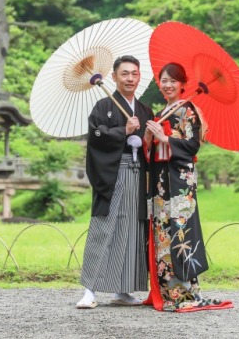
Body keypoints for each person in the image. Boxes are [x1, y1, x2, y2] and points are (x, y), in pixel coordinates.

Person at [143, 62, 233, 312]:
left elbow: (192, 145)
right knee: (163, 232)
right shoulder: (164, 112)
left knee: (180, 233)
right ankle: (167, 290)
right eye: (164, 80)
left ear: (183, 85)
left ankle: (184, 291)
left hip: (180, 185)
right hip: (162, 183)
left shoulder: (189, 110)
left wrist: (165, 138)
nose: (168, 84)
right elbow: (151, 151)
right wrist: (149, 139)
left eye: (173, 80)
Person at [77, 55, 154, 309]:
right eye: (124, 74)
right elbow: (96, 137)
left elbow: (150, 148)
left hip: (137, 175)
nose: (130, 78)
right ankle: (90, 289)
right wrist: (124, 131)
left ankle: (124, 289)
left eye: (134, 73)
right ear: (114, 77)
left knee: (133, 229)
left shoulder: (144, 110)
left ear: (139, 76)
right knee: (104, 227)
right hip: (112, 173)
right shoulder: (103, 106)